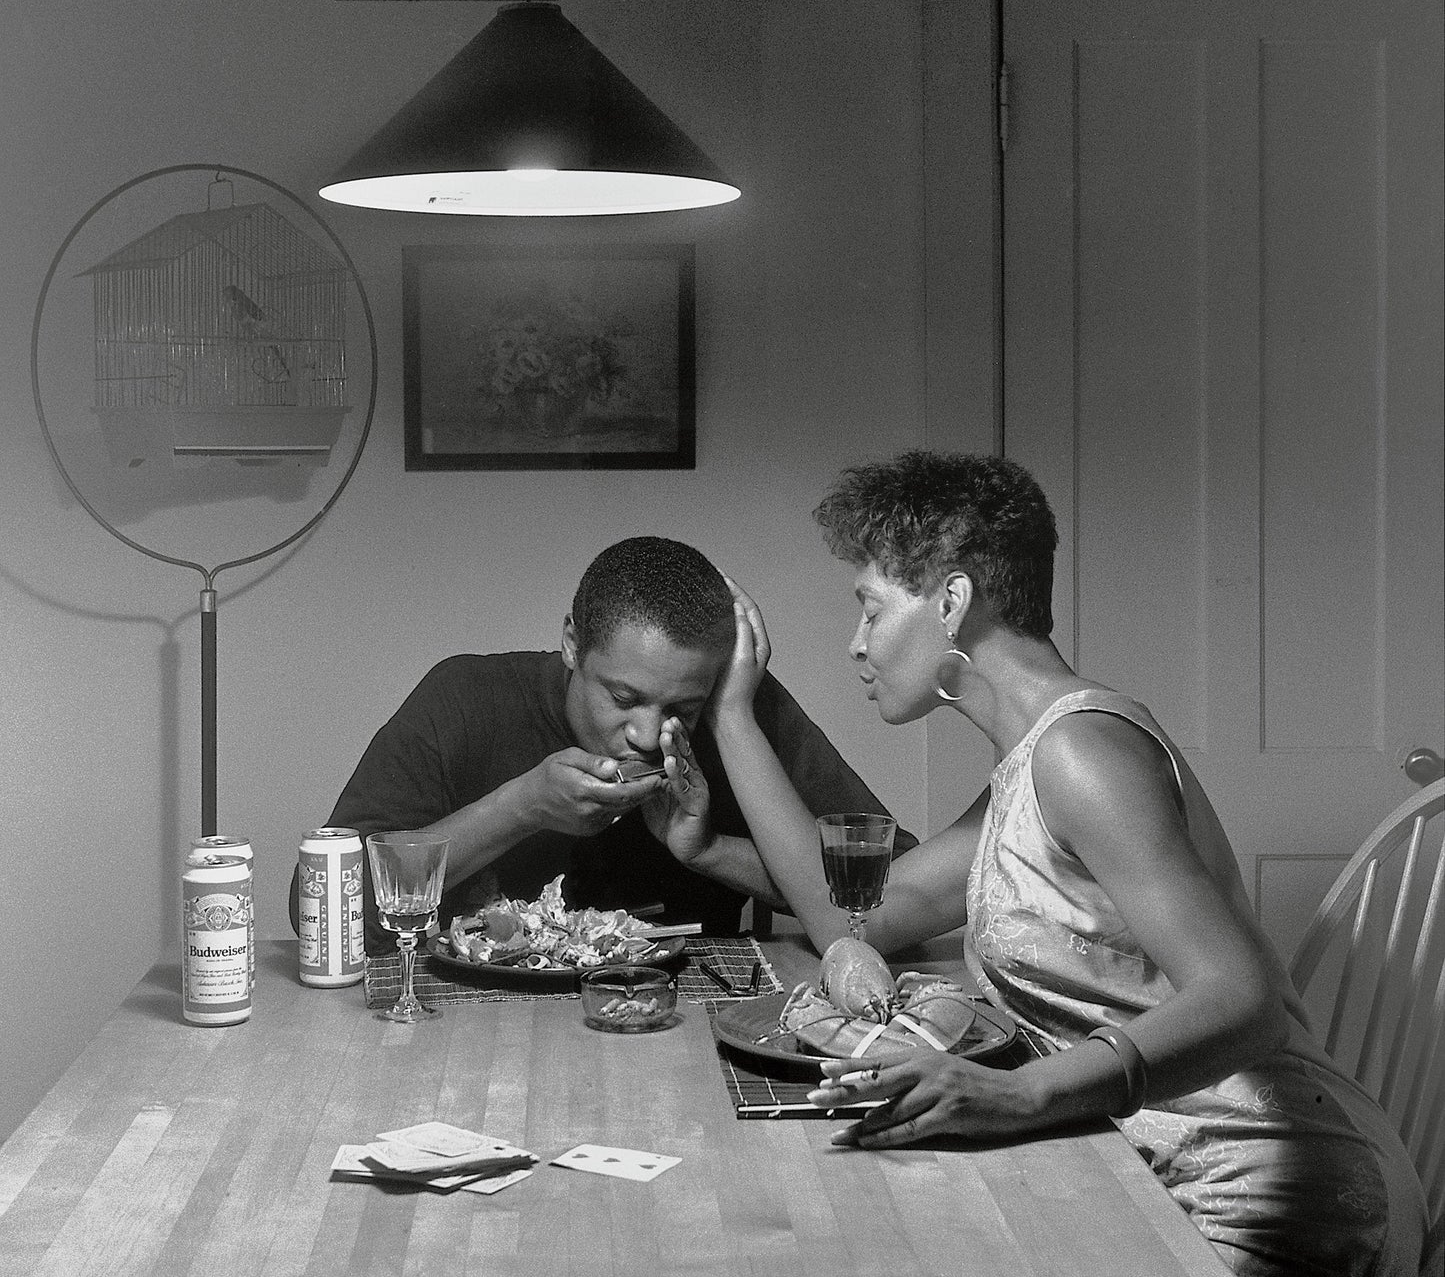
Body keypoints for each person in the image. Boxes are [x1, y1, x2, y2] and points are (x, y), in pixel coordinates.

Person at [662, 451, 1426, 1277]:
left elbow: (1244, 1000)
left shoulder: (1082, 753)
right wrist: (728, 742)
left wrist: (1020, 1092)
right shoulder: (1027, 770)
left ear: (951, 602)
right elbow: (858, 917)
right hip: (1146, 1177)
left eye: (871, 611)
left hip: (1273, 1198)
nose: (856, 646)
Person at [291, 536, 915, 952]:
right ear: (571, 645)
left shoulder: (739, 711)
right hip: (474, 1030)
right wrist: (522, 806)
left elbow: (888, 899)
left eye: (683, 710)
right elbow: (319, 907)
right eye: (622, 699)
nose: (647, 734)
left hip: (686, 1032)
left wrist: (711, 851)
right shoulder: (466, 697)